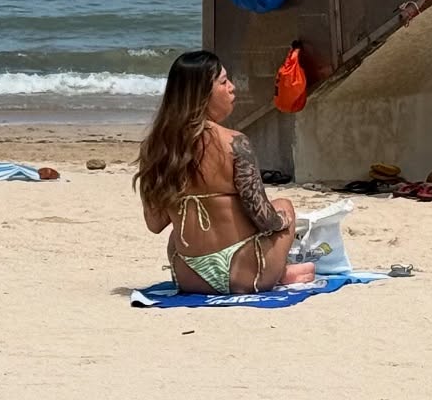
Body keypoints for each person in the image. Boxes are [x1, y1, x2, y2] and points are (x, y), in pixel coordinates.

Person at [134, 50, 314, 296]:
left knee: (180, 231)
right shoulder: (234, 143)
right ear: (202, 93)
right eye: (223, 82)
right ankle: (280, 272)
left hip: (189, 277)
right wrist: (285, 221)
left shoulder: (155, 148)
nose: (232, 88)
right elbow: (262, 217)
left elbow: (155, 224)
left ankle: (282, 272)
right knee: (284, 205)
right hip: (244, 274)